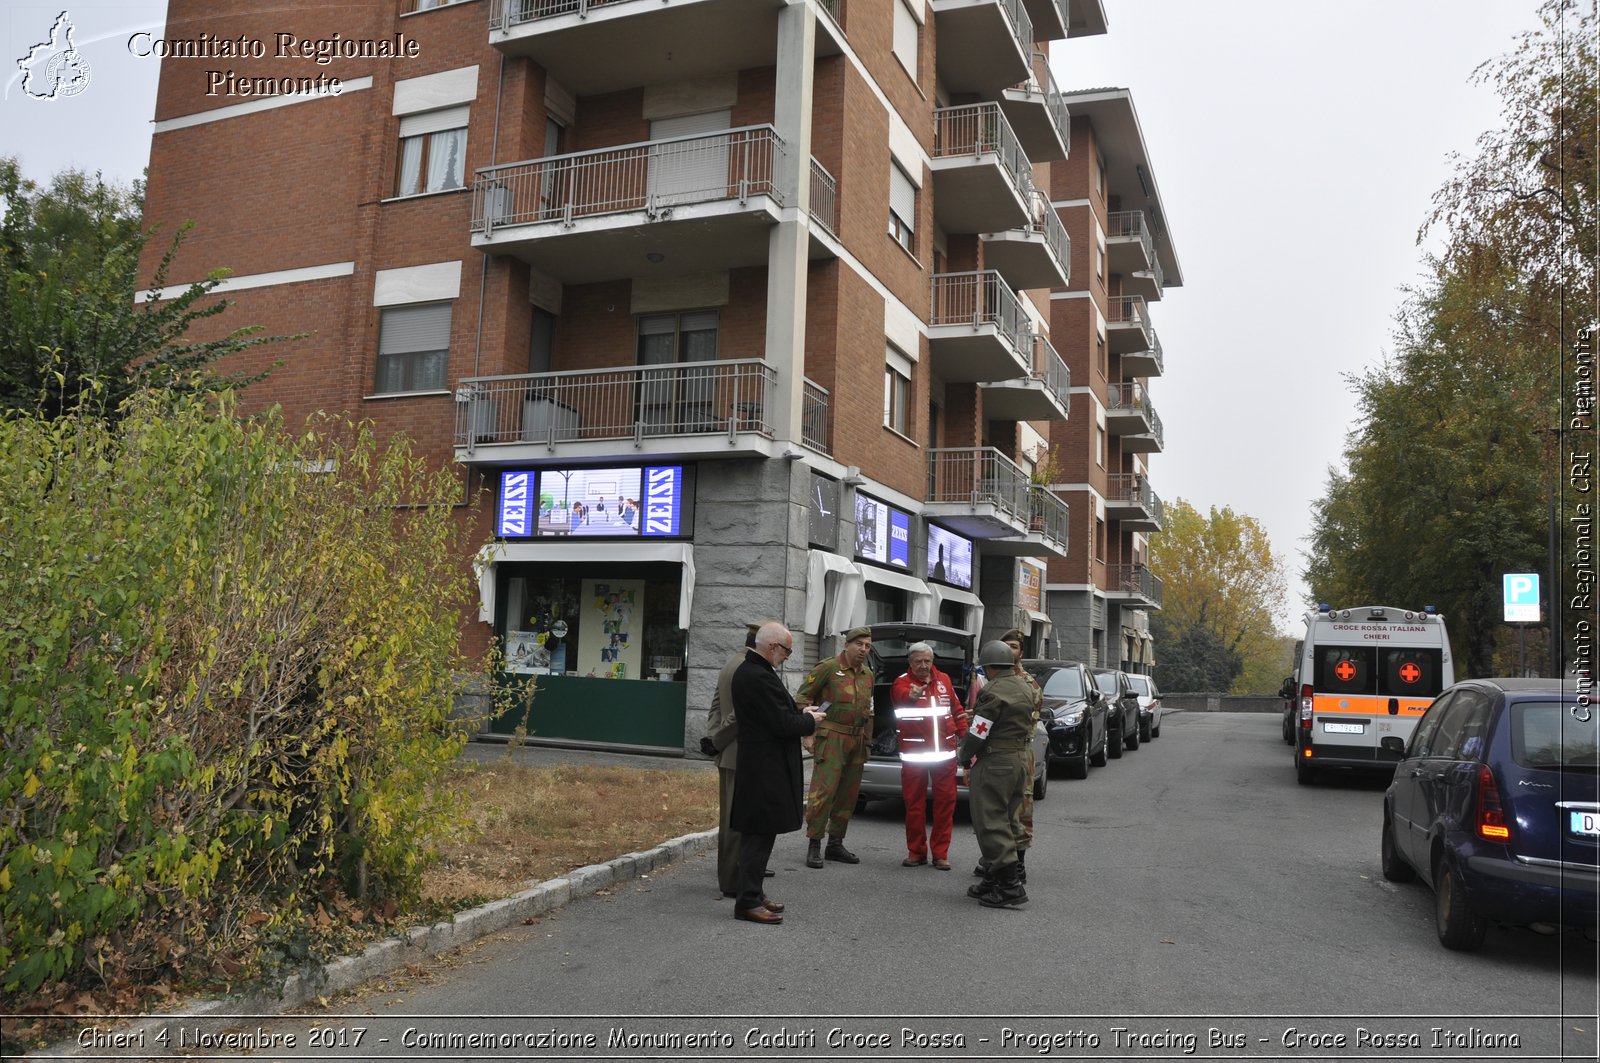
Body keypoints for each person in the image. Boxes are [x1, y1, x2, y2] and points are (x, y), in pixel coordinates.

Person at [729, 622, 822, 924]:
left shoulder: (758, 671)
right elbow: (781, 725)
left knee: (761, 832)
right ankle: (747, 901)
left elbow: (779, 715)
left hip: (764, 764)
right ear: (772, 646)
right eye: (786, 650)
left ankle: (753, 893)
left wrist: (801, 714)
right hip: (763, 767)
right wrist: (811, 722)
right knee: (758, 833)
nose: (787, 656)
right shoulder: (755, 675)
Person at [960, 639, 1037, 908]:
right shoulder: (1024, 686)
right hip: (1019, 760)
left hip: (995, 762)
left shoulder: (992, 691)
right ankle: (993, 880)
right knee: (1009, 818)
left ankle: (1008, 888)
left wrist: (964, 756)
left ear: (990, 666)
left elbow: (979, 730)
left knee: (991, 821)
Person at [796, 625, 875, 868]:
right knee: (824, 792)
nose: (863, 650)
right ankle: (814, 843)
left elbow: (869, 712)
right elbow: (802, 699)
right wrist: (808, 733)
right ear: (847, 645)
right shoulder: (827, 668)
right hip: (831, 738)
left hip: (857, 740)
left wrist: (868, 743)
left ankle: (835, 843)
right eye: (859, 644)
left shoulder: (867, 675)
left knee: (848, 794)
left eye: (867, 646)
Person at [702, 622, 771, 898]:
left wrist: (714, 739)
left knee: (733, 819)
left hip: (730, 753)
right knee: (735, 823)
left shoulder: (732, 662)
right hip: (741, 752)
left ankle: (738, 873)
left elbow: (716, 707)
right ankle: (731, 880)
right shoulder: (748, 670)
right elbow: (739, 715)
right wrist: (718, 740)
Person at [890, 642, 965, 870]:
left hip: (945, 755)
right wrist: (912, 696)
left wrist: (966, 737)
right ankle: (916, 852)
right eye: (918, 662)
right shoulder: (901, 682)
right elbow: (902, 697)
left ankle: (940, 854)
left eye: (927, 661)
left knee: (945, 805)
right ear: (910, 663)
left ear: (933, 661)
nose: (923, 666)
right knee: (915, 806)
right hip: (914, 756)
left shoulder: (944, 680)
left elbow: (957, 709)